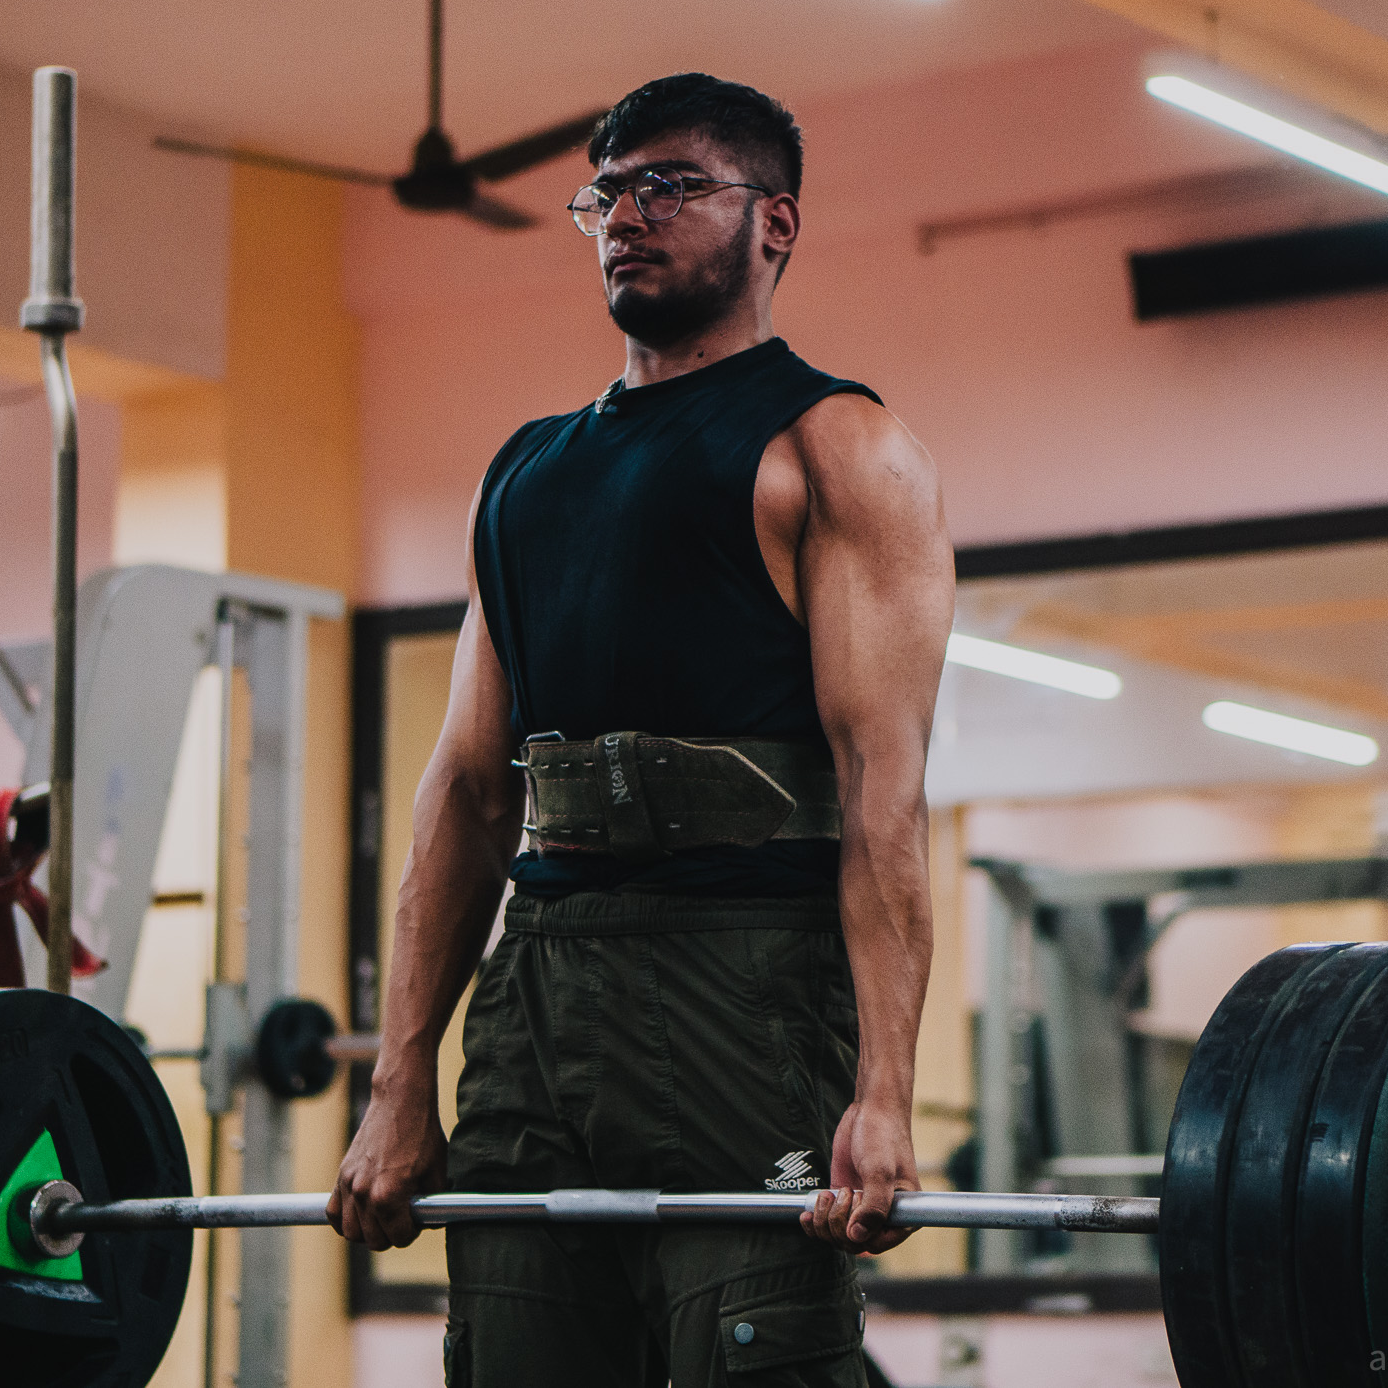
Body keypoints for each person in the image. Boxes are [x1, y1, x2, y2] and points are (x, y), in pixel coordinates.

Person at [328, 72, 954, 1386]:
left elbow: (880, 790)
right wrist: (398, 1081)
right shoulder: (526, 473)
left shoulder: (838, 446)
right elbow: (467, 791)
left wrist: (884, 1087)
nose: (628, 213)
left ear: (773, 222)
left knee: (754, 1359)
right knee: (509, 1355)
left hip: (751, 984)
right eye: (607, 191)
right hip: (539, 988)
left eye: (670, 184)